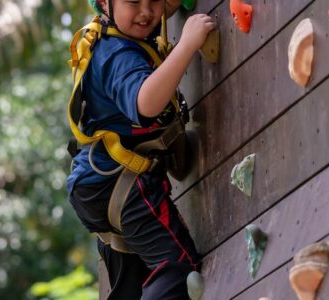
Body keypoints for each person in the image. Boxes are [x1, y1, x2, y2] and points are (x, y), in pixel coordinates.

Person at [66, 0, 215, 299]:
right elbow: (145, 104)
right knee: (180, 271)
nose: (146, 12)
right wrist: (187, 44)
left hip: (96, 185)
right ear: (105, 4)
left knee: (130, 291)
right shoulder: (119, 54)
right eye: (134, 1)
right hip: (124, 186)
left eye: (154, 1)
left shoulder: (108, 38)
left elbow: (158, 9)